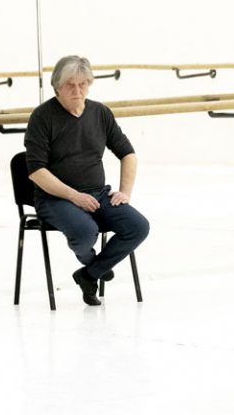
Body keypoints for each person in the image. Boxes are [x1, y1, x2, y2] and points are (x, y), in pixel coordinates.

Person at [24, 55, 150, 306]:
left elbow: (128, 154)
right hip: (55, 199)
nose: (78, 91)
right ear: (57, 86)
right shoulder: (42, 117)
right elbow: (37, 171)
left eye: (83, 84)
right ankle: (95, 266)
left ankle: (89, 274)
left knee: (138, 226)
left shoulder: (100, 112)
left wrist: (125, 192)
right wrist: (74, 196)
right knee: (85, 231)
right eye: (70, 85)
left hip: (99, 193)